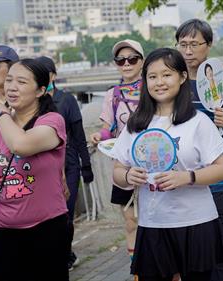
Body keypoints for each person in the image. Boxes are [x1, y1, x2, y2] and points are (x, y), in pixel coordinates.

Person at [112, 47, 223, 281]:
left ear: (182, 77)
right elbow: (117, 170)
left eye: (166, 75)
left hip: (197, 222)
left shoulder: (198, 121)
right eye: (152, 76)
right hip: (153, 223)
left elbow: (221, 169)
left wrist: (187, 177)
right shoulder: (136, 124)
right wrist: (128, 176)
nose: (159, 82)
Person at [0, 59, 69, 281]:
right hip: (2, 232)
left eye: (21, 82)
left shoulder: (52, 121)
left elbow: (21, 145)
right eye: (9, 80)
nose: (12, 87)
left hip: (47, 231)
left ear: (41, 90)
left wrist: (1, 114)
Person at [175, 18, 223, 281]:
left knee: (215, 244)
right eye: (183, 44)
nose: (188, 51)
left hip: (219, 176)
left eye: (194, 44)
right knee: (186, 246)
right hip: (181, 178)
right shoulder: (173, 82)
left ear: (209, 45)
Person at [36, 56, 94, 270]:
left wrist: (86, 166)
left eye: (46, 72)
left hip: (69, 163)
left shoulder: (66, 100)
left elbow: (78, 135)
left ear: (53, 75)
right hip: (45, 167)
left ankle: (65, 253)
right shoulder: (35, 102)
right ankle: (61, 254)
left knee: (67, 213)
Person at [89, 39, 144, 263]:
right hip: (123, 167)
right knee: (130, 221)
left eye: (132, 59)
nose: (127, 64)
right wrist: (98, 137)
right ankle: (138, 269)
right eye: (121, 60)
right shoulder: (112, 95)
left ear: (142, 61)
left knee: (156, 221)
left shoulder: (154, 89)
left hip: (154, 163)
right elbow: (108, 129)